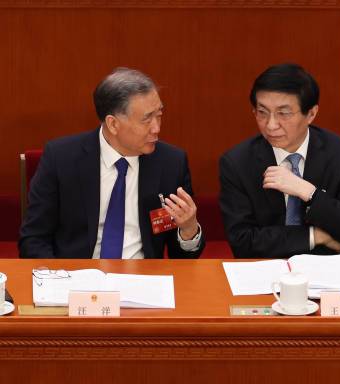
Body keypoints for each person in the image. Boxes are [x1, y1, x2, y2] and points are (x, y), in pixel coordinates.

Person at [19, 68, 204, 259]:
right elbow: (34, 238)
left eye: (159, 115)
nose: (157, 128)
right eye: (146, 119)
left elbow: (182, 259)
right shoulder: (61, 158)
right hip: (76, 276)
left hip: (143, 279)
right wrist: (58, 280)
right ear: (113, 124)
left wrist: (189, 230)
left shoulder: (171, 163)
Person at [219, 63, 340, 258]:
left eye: (284, 113)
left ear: (311, 114)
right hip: (263, 269)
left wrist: (308, 192)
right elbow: (242, 241)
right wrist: (314, 236)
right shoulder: (237, 162)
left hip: (326, 270)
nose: (271, 125)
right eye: (262, 112)